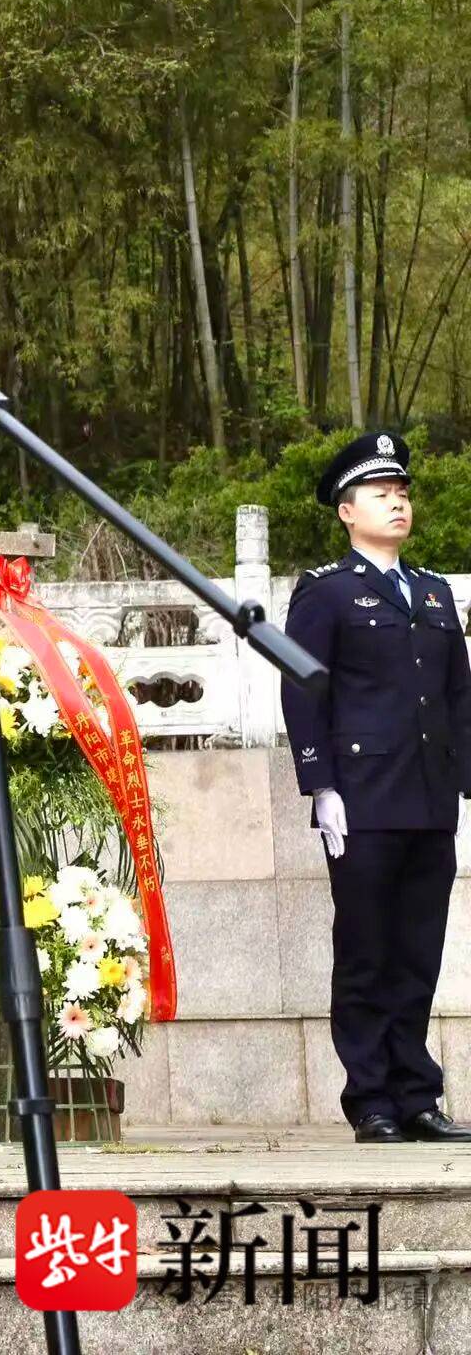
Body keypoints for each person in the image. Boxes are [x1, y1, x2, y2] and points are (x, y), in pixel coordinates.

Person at [282, 431, 471, 1145]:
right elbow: (304, 689)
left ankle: (417, 1095)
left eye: (402, 492)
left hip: (429, 798)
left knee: (418, 952)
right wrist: (320, 785)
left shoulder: (433, 592)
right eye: (380, 493)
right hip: (362, 799)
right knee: (367, 949)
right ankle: (371, 1100)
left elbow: (458, 694)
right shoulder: (326, 592)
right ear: (346, 510)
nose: (397, 502)